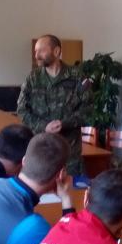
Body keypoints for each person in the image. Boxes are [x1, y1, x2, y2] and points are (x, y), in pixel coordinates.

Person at [17, 34, 90, 185]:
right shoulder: (33, 78)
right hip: (40, 151)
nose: (36, 55)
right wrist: (44, 126)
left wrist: (64, 123)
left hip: (69, 153)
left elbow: (88, 111)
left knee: (70, 192)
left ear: (56, 51)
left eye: (41, 51)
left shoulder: (77, 76)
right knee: (40, 193)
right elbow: (22, 110)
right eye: (35, 51)